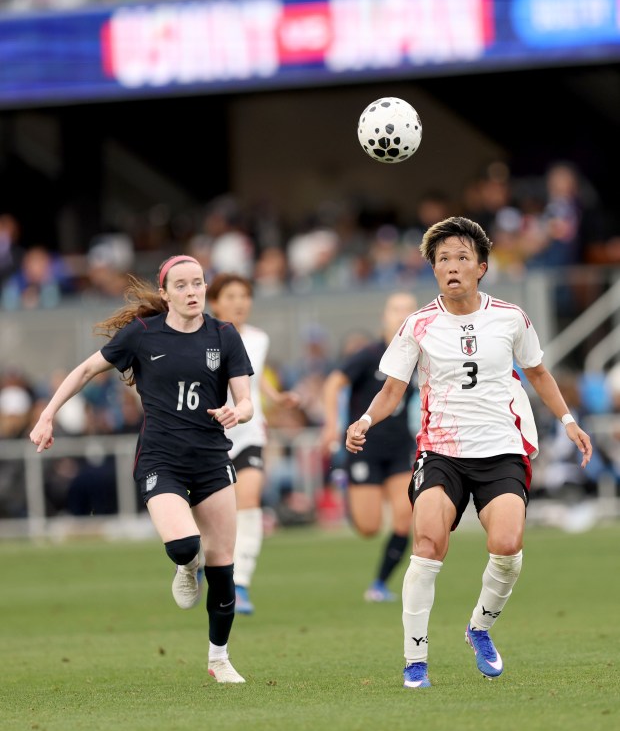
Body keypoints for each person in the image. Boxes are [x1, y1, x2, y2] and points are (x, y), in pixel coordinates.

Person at [345, 217, 592, 689]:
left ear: (481, 267)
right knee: (428, 544)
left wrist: (569, 421)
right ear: (433, 270)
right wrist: (364, 421)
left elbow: (538, 373)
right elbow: (392, 390)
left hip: (501, 450)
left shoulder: (510, 317)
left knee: (507, 546)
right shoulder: (417, 325)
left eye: (461, 258)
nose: (452, 266)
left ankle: (479, 627)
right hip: (441, 453)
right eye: (442, 260)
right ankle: (415, 660)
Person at [29, 254, 254, 684]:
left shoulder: (224, 335)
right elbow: (86, 370)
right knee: (186, 546)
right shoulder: (142, 334)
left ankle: (219, 658)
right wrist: (48, 414)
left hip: (210, 459)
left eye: (199, 283)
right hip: (161, 459)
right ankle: (187, 567)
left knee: (224, 569)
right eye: (183, 285)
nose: (192, 292)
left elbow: (246, 400)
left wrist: (236, 411)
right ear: (165, 292)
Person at [206, 272, 299, 615]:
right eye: (230, 296)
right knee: (213, 513)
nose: (239, 303)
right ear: (214, 303)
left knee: (249, 502)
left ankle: (240, 583)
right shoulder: (202, 337)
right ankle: (203, 561)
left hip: (249, 433)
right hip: (210, 435)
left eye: (244, 296)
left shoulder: (259, 339)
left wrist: (277, 396)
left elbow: (251, 378)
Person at [321, 292, 418, 602]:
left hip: (400, 448)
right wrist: (331, 424)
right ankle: (348, 486)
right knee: (368, 526)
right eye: (396, 309)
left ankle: (379, 584)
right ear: (385, 316)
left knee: (405, 518)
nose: (402, 315)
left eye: (408, 310)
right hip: (366, 449)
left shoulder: (421, 355)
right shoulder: (370, 354)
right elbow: (333, 383)